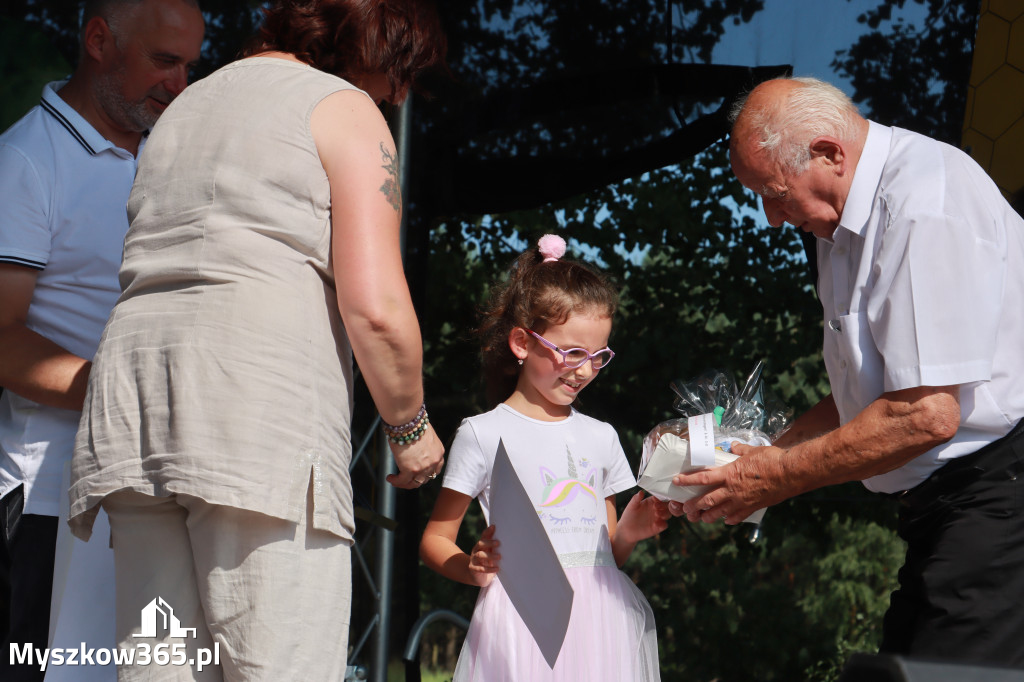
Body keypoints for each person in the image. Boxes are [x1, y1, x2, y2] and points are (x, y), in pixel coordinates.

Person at [66, 0, 447, 678]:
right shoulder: (342, 105)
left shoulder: (184, 107)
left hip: (133, 410)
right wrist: (411, 427)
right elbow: (378, 305)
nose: (400, 93)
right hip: (257, 410)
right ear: (372, 44)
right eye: (402, 70)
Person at [673, 76, 1024, 667]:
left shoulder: (921, 205)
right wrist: (759, 459)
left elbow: (926, 414)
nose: (772, 219)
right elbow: (867, 397)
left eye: (775, 193)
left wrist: (780, 474)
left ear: (830, 153)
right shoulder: (841, 231)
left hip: (999, 493)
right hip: (949, 509)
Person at [0, 1, 204, 678]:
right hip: (49, 501)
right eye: (163, 61)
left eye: (189, 66)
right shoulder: (27, 160)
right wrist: (122, 393)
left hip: (152, 494)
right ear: (97, 40)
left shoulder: (170, 162)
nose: (179, 85)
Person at [421, 234, 669, 681]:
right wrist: (471, 567)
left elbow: (606, 555)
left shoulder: (601, 437)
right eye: (572, 352)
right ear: (521, 342)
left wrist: (631, 534)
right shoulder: (482, 433)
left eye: (598, 356)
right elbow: (435, 540)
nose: (585, 370)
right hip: (520, 619)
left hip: (601, 625)